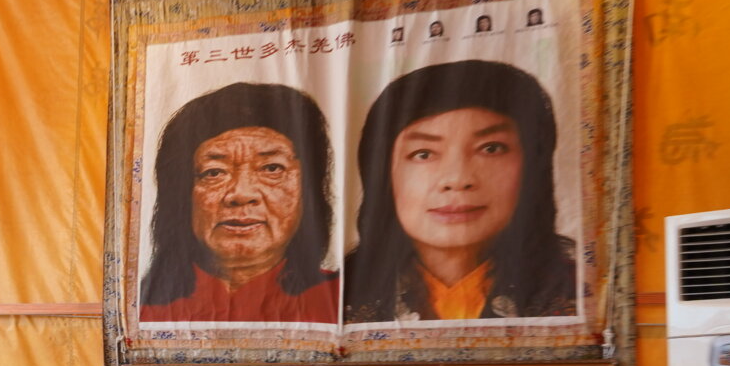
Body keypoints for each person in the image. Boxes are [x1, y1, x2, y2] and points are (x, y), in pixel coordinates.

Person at [344, 59, 576, 323]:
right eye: (423, 154)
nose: (457, 179)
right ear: (382, 174)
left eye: (490, 148)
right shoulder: (338, 298)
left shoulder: (581, 291)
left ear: (533, 166)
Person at [137, 82, 340, 324]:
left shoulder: (344, 301)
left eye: (272, 168)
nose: (241, 194)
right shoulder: (142, 306)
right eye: (214, 173)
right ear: (181, 195)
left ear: (307, 190)